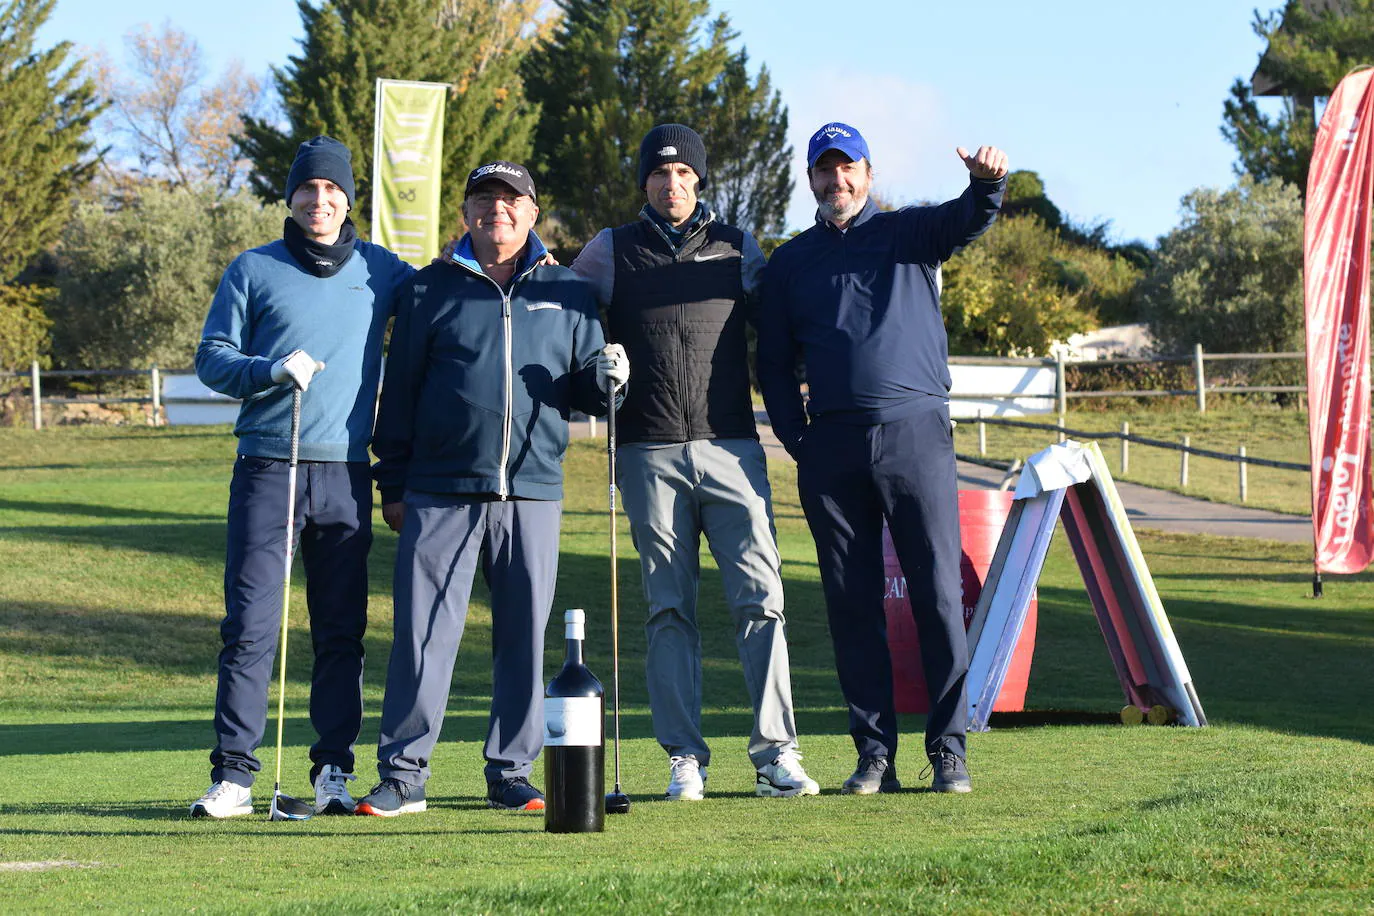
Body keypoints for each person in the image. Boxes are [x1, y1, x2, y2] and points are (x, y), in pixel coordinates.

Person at [356, 160, 628, 816]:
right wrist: (392, 481)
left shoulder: (568, 292)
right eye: (484, 199)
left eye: (511, 200)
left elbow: (589, 389)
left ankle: (511, 773)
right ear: (466, 213)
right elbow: (400, 398)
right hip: (439, 489)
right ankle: (403, 775)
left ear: (534, 213)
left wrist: (610, 376)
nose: (497, 211)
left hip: (532, 489)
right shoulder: (428, 290)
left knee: (522, 638)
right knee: (423, 636)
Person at [757, 122, 1008, 795]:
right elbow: (775, 367)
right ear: (810, 178)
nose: (836, 180)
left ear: (868, 174)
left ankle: (949, 750)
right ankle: (874, 756)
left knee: (935, 594)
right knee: (851, 603)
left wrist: (986, 186)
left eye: (847, 169)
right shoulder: (790, 263)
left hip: (915, 434)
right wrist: (799, 439)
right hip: (832, 449)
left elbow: (967, 218)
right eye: (824, 170)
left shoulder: (907, 234)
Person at [571, 124, 819, 801]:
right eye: (660, 174)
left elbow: (783, 326)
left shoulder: (738, 247)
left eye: (684, 175)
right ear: (646, 181)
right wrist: (596, 360)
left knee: (761, 599)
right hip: (648, 453)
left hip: (732, 447)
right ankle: (685, 756)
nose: (671, 184)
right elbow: (560, 310)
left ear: (700, 181)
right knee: (668, 610)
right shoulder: (610, 250)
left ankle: (776, 755)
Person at [191, 136, 414, 818]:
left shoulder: (384, 272)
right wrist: (266, 370)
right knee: (251, 625)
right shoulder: (253, 269)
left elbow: (449, 291)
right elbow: (212, 358)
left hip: (345, 472)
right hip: (268, 466)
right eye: (308, 190)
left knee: (340, 631)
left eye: (333, 191)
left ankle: (333, 772)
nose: (320, 201)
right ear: (290, 198)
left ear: (349, 199)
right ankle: (234, 776)